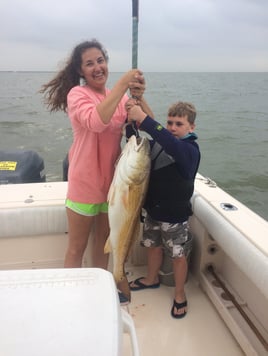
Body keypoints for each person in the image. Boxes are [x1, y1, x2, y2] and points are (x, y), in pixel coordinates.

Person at [40, 39, 153, 304]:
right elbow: (97, 121)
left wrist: (138, 94)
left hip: (112, 187)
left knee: (104, 244)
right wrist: (124, 86)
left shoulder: (120, 96)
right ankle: (71, 295)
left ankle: (100, 293)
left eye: (100, 61)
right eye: (89, 63)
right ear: (81, 71)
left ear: (107, 63)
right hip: (84, 185)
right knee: (76, 247)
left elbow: (147, 122)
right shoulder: (77, 95)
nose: (97, 67)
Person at [126, 100, 201, 318]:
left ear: (191, 128)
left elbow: (170, 143)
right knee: (153, 246)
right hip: (152, 211)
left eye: (179, 124)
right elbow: (138, 141)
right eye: (170, 123)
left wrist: (145, 118)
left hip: (175, 217)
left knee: (177, 256)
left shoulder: (190, 151)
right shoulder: (160, 142)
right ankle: (151, 278)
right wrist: (132, 120)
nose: (173, 127)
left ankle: (179, 294)